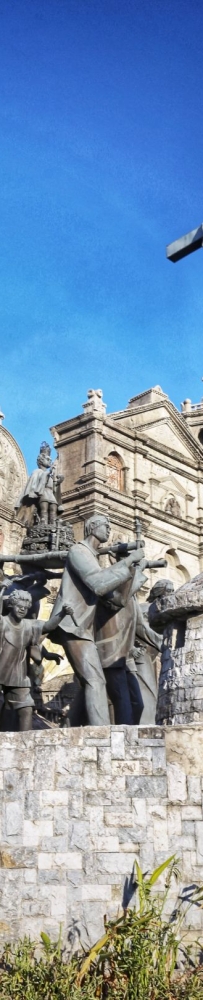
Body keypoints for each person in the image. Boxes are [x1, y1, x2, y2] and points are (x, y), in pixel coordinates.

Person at [50, 513, 144, 726]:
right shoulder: (78, 551)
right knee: (95, 680)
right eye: (106, 525)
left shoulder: (92, 557)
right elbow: (98, 584)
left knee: (92, 682)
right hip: (71, 623)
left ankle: (72, 728)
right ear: (92, 527)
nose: (109, 530)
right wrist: (128, 560)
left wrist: (135, 571)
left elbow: (116, 601)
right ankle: (100, 735)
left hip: (83, 627)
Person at [0, 587, 74, 731]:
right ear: (11, 605)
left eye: (25, 608)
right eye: (19, 607)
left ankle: (27, 745)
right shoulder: (2, 623)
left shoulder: (29, 626)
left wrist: (63, 613)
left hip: (17, 676)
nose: (22, 610)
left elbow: (47, 626)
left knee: (26, 709)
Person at [15, 441, 63, 527]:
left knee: (53, 508)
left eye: (50, 460)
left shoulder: (50, 474)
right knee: (44, 508)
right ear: (41, 460)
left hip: (50, 494)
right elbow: (38, 484)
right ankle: (43, 524)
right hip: (43, 493)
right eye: (48, 459)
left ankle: (53, 525)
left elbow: (54, 489)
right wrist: (48, 473)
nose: (50, 461)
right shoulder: (37, 472)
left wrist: (58, 482)